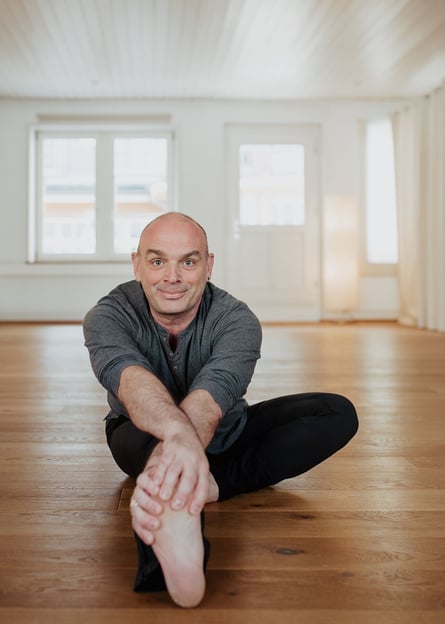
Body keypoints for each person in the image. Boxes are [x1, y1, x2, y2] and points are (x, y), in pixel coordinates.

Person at [83, 212, 358, 608]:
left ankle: (210, 485)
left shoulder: (238, 320)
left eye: (188, 262)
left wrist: (182, 439)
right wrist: (175, 437)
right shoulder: (108, 316)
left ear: (208, 266)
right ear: (137, 264)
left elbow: (211, 401)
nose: (172, 276)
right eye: (158, 261)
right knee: (157, 447)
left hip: (226, 432)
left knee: (336, 412)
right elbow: (132, 383)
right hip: (138, 435)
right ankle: (180, 520)